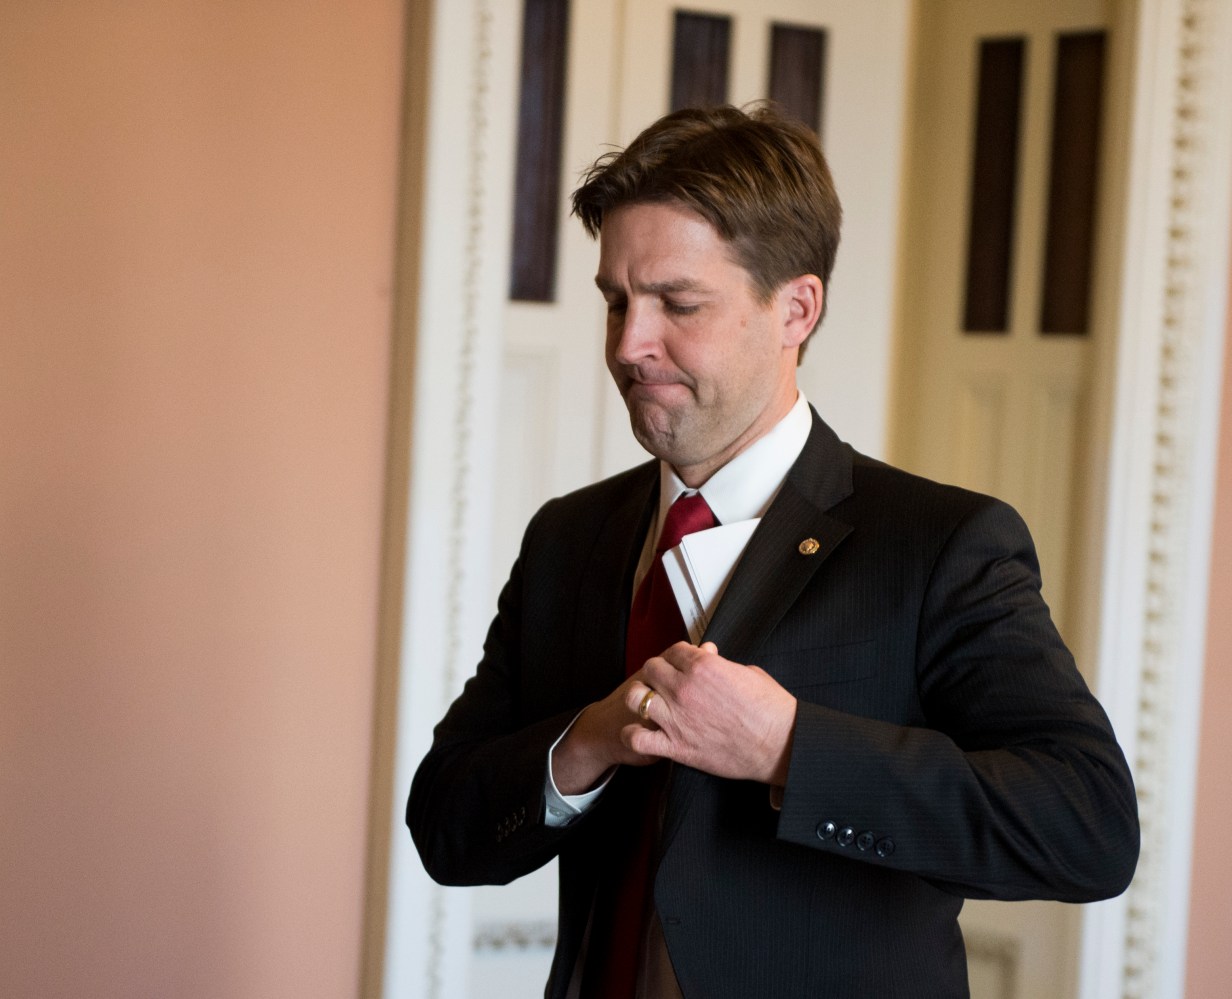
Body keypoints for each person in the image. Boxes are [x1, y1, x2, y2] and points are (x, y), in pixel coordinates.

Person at [406, 102, 1138, 998]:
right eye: (616, 301)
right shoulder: (568, 537)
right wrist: (588, 739)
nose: (630, 345)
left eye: (678, 303)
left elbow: (1089, 826)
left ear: (796, 308)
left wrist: (789, 747)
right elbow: (444, 825)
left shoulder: (942, 545)